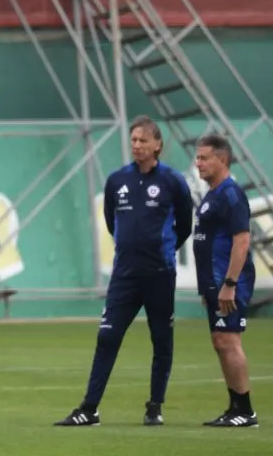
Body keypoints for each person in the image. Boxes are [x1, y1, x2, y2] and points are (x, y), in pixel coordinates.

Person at [55, 115, 194, 427]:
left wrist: (164, 248)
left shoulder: (173, 181)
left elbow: (185, 223)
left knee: (161, 340)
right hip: (125, 276)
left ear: (158, 145)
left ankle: (155, 406)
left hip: (159, 274)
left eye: (144, 140)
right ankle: (89, 409)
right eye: (133, 140)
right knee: (107, 337)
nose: (137, 145)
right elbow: (110, 220)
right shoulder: (118, 180)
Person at [192, 133, 258, 427]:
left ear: (222, 159)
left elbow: (241, 241)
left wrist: (229, 285)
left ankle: (245, 411)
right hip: (215, 283)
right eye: (197, 158)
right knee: (220, 341)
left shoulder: (231, 194)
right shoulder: (213, 194)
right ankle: (235, 406)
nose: (198, 163)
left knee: (229, 341)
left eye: (204, 158)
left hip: (229, 282)